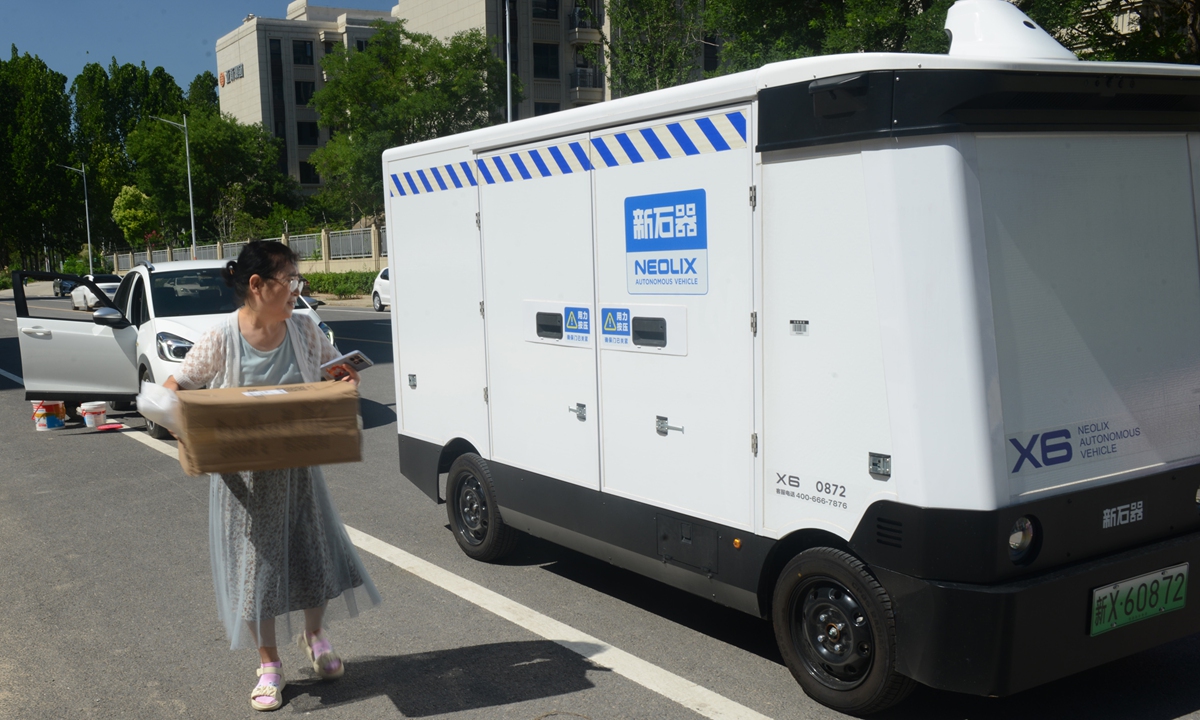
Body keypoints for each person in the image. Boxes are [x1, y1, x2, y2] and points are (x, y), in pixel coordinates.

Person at [164, 241, 381, 712]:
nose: (296, 291)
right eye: (290, 282)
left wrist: (344, 382)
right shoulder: (221, 336)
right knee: (255, 574)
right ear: (258, 286)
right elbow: (175, 386)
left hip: (300, 474)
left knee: (313, 556)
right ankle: (268, 665)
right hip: (244, 484)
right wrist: (177, 420)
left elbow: (331, 375)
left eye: (297, 281)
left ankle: (316, 634)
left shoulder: (303, 329)